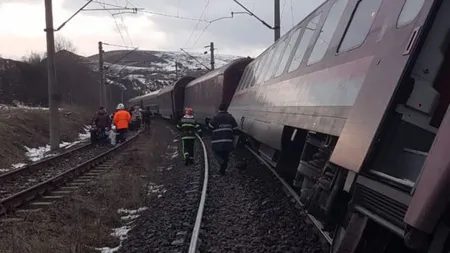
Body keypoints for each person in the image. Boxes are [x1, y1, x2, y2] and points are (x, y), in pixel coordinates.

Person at [208, 103, 238, 175]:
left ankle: (221, 163)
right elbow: (235, 129)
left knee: (216, 154)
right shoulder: (231, 117)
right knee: (226, 156)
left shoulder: (216, 117)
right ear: (226, 109)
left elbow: (210, 127)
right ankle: (223, 170)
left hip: (217, 141)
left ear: (219, 109)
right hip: (228, 141)